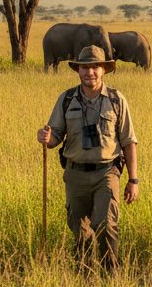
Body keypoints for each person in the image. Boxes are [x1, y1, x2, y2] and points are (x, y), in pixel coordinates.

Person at [37, 45, 139, 273]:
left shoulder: (116, 99)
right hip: (75, 174)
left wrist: (134, 180)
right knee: (79, 228)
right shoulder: (66, 99)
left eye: (94, 67)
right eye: (84, 67)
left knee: (106, 224)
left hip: (106, 172)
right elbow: (55, 136)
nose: (89, 72)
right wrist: (45, 137)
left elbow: (129, 141)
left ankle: (111, 277)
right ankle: (84, 275)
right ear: (78, 70)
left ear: (103, 70)